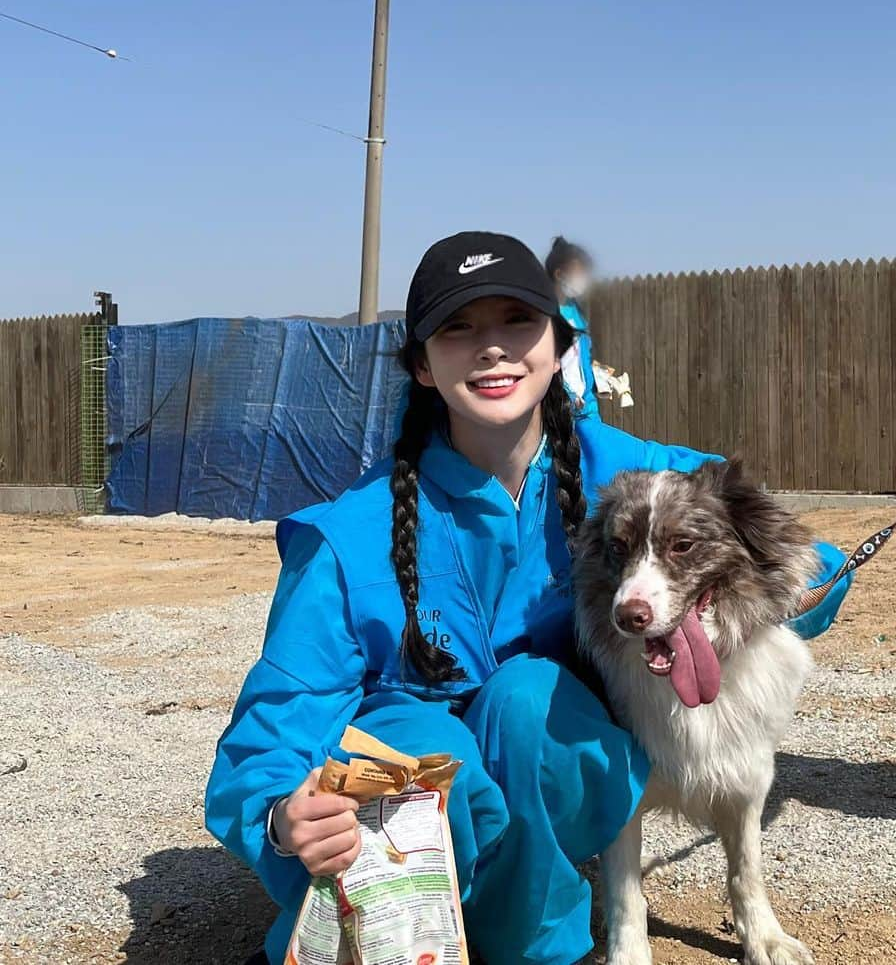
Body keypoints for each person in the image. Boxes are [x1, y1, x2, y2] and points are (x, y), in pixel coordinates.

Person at [205, 232, 852, 965]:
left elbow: (783, 548)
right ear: (422, 363)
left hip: (543, 796)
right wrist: (280, 813)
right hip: (413, 835)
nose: (492, 349)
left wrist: (789, 585)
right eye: (458, 328)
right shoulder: (346, 538)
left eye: (517, 320)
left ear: (557, 343)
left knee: (531, 702)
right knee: (427, 744)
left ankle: (536, 941)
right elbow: (271, 728)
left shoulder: (629, 476)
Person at [545, 235, 599, 417]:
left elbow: (580, 358)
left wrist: (597, 377)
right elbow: (545, 365)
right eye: (578, 272)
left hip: (587, 404)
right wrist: (567, 393)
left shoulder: (575, 311)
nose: (582, 278)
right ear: (559, 274)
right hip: (561, 406)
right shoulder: (546, 314)